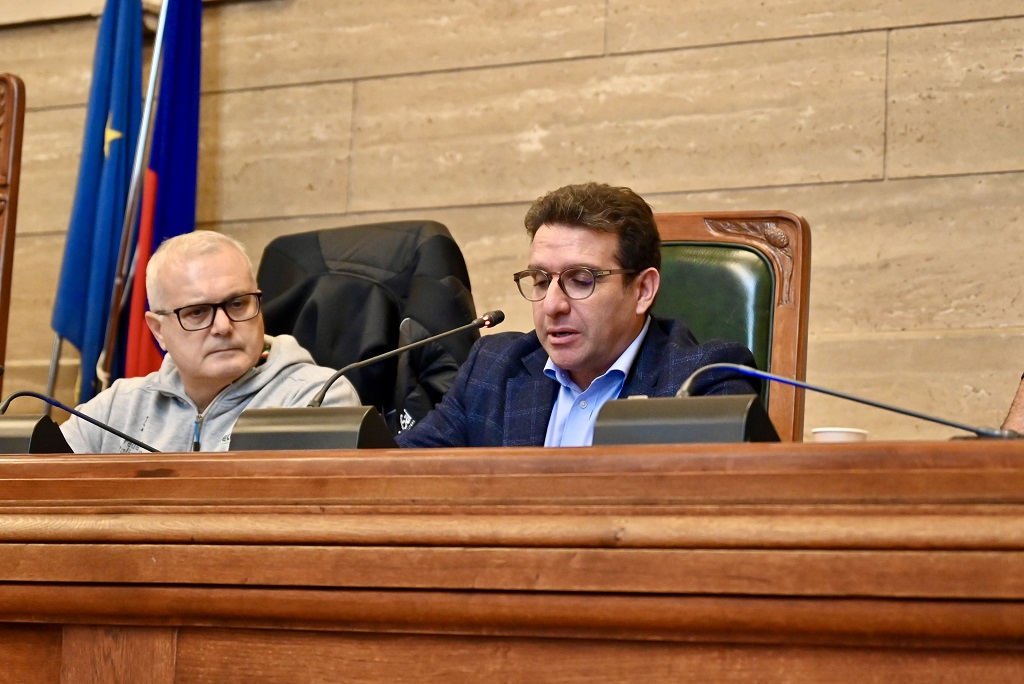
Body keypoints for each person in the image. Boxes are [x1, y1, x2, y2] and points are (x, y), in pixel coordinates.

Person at [397, 182, 760, 448]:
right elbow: (398, 471)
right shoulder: (493, 369)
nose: (552, 305)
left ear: (642, 290)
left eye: (581, 280)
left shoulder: (703, 382)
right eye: (541, 280)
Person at [60, 231, 360, 453]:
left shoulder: (315, 399)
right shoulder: (118, 406)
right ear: (159, 330)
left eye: (238, 304)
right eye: (197, 312)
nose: (223, 326)